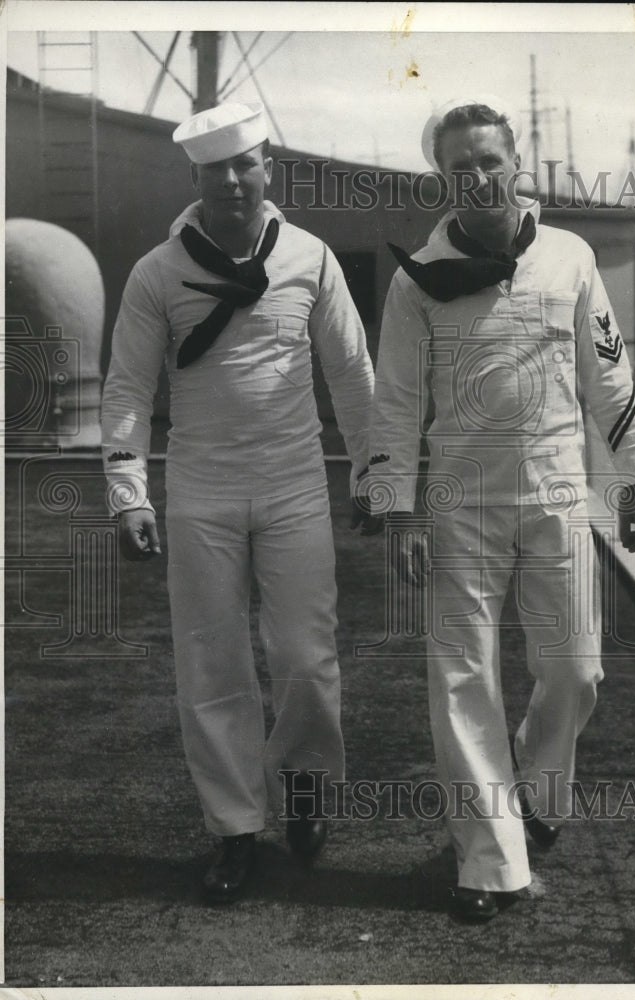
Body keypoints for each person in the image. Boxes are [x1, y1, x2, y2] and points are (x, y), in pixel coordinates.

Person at [365, 96, 635, 922]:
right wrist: (397, 509)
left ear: (514, 162)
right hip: (460, 503)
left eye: (489, 160)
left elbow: (608, 375)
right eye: (460, 166)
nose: (478, 177)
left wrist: (631, 483)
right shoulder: (415, 280)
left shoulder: (568, 258)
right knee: (463, 684)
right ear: (443, 179)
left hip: (558, 495)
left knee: (575, 672)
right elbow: (393, 402)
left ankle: (533, 790)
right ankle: (489, 862)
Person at [101, 102, 375, 903]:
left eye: (244, 163)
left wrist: (375, 476)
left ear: (267, 169)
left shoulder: (311, 258)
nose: (231, 179)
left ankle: (306, 790)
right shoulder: (157, 273)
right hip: (199, 489)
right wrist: (128, 494)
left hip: (293, 482)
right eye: (214, 169)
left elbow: (352, 376)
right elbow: (126, 388)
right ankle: (232, 829)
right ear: (194, 178)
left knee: (303, 657)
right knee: (212, 666)